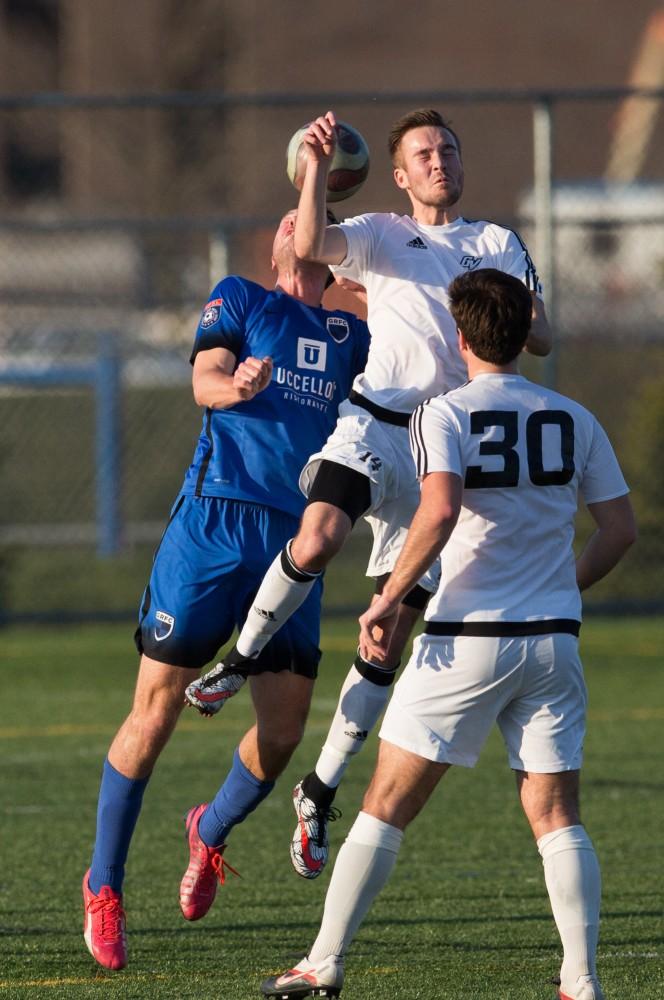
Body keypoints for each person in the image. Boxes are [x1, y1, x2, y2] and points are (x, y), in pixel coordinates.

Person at [185, 108, 553, 880]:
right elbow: (314, 244)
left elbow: (542, 334)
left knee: (383, 640)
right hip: (375, 425)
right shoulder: (383, 234)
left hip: (443, 449)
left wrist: (492, 302)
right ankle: (239, 658)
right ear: (400, 174)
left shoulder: (497, 244)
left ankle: (317, 793)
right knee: (316, 536)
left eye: (449, 148)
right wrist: (315, 165)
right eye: (424, 152)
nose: (440, 160)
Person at [260, 268, 636, 1000]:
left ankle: (323, 963)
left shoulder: (443, 414)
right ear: (526, 336)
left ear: (460, 339)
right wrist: (564, 588)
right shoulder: (574, 417)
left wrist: (389, 597)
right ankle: (581, 980)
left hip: (465, 637)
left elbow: (436, 514)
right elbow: (619, 531)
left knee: (385, 805)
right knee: (558, 817)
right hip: (553, 643)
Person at [81, 209, 370, 971]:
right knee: (155, 712)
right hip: (212, 527)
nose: (296, 227)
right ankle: (103, 887)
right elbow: (202, 378)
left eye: (313, 222)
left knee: (281, 736)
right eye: (289, 219)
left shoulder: (352, 336)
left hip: (297, 539)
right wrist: (234, 384)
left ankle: (208, 832)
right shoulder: (241, 297)